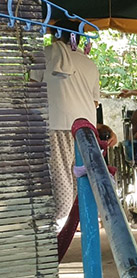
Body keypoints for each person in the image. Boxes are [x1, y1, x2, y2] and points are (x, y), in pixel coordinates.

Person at [32, 18, 102, 229]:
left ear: (53, 34)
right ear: (79, 38)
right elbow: (95, 101)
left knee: (61, 174)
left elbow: (33, 90)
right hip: (85, 129)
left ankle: (61, 220)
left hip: (56, 124)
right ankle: (76, 218)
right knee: (79, 173)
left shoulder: (44, 54)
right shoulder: (89, 63)